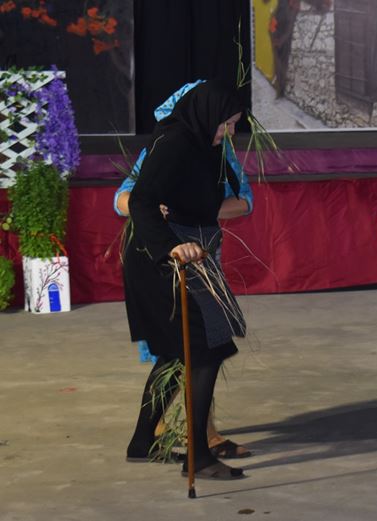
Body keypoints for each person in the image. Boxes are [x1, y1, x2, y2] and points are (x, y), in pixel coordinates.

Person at [116, 81, 252, 461]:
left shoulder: (209, 149)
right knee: (205, 348)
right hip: (165, 257)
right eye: (227, 123)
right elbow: (135, 200)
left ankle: (143, 443)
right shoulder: (173, 142)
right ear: (207, 115)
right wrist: (170, 243)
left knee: (181, 353)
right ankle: (201, 453)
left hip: (194, 254)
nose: (231, 132)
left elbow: (233, 201)